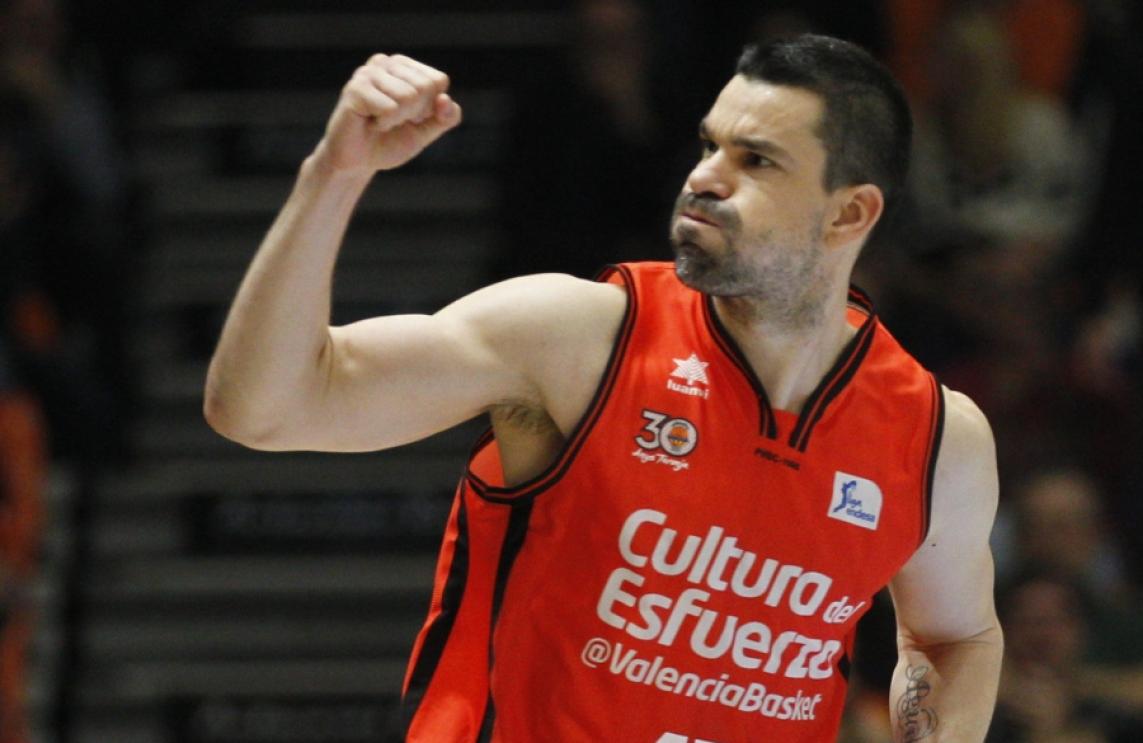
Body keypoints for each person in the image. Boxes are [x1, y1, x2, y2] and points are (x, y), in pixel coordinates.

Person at [204, 35, 1002, 742]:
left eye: (755, 160)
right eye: (708, 145)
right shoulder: (577, 337)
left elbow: (955, 637)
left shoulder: (936, 437)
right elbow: (264, 408)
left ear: (848, 214)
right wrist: (332, 174)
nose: (704, 177)